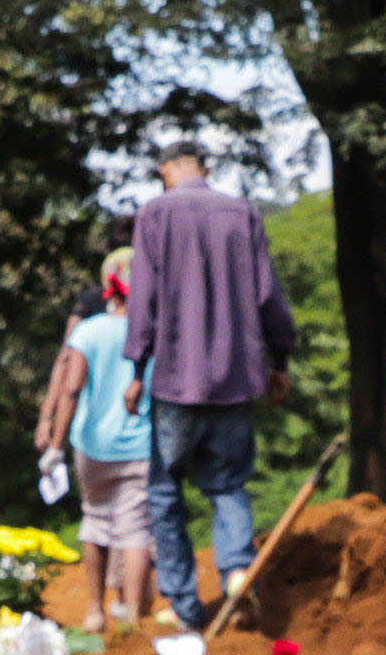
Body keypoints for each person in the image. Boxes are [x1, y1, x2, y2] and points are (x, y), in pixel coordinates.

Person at [122, 144, 295, 630]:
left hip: (176, 381)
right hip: (235, 380)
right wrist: (279, 360)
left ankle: (181, 603)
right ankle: (239, 574)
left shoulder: (155, 215)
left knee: (164, 491)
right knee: (229, 484)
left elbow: (145, 301)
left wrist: (136, 369)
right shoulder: (242, 213)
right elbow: (267, 294)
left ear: (164, 171)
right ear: (205, 168)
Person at [34, 249, 155, 630]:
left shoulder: (88, 331)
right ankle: (132, 614)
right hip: (141, 444)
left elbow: (71, 390)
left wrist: (56, 445)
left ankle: (94, 612)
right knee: (135, 528)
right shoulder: (150, 332)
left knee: (96, 521)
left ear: (109, 287)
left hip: (93, 445)